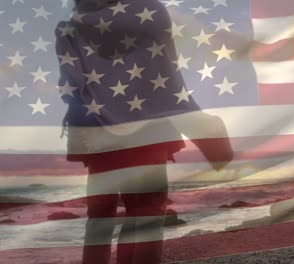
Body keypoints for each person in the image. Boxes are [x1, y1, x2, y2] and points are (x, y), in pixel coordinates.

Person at [55, 0, 233, 263]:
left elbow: (70, 89)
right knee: (146, 214)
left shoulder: (69, 29)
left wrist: (103, 107)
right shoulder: (151, 13)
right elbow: (170, 76)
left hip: (98, 133)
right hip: (150, 131)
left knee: (100, 220)